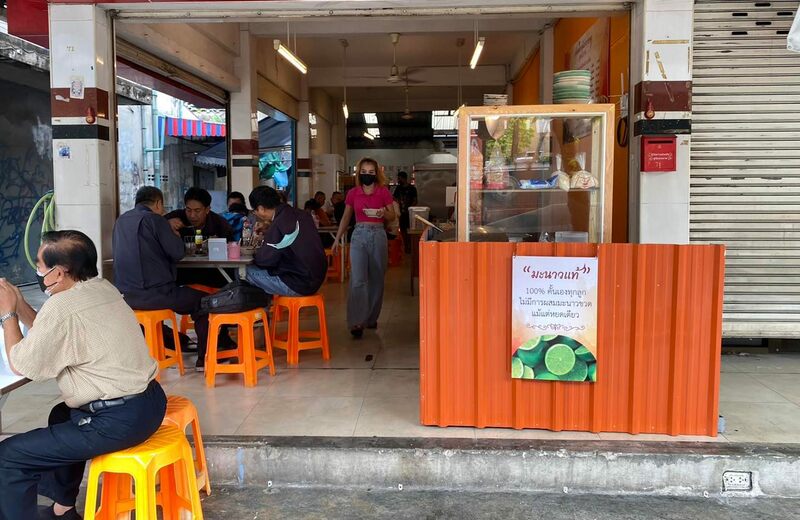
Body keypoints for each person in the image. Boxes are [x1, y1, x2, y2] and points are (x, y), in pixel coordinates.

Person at [0, 230, 166, 520]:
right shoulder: (102, 287)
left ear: (59, 273)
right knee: (61, 415)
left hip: (118, 421)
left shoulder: (62, 306)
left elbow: (21, 363)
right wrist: (18, 303)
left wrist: (7, 315)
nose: (37, 272)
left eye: (40, 266)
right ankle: (63, 510)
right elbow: (48, 331)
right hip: (149, 403)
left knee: (10, 456)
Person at [113, 186, 222, 371]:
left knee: (164, 308)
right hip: (156, 294)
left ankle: (171, 345)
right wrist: (174, 235)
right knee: (203, 301)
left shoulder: (121, 221)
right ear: (157, 203)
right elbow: (177, 252)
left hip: (126, 297)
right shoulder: (155, 220)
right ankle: (205, 359)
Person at [332, 158, 396, 338]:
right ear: (359, 173)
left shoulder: (383, 192)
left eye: (371, 172)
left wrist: (384, 212)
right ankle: (356, 321)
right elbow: (346, 217)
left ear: (376, 174)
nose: (367, 175)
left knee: (377, 279)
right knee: (358, 279)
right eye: (364, 172)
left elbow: (392, 216)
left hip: (378, 234)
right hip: (359, 234)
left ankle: (371, 317)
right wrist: (338, 238)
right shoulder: (353, 193)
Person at [247, 186, 327, 298]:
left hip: (299, 284)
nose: (257, 214)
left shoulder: (278, 223)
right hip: (316, 278)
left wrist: (254, 253)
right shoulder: (302, 214)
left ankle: (259, 313)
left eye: (255, 211)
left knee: (245, 272)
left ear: (261, 208)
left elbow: (265, 261)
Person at [164, 187, 235, 287]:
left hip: (213, 275)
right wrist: (166, 224)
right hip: (181, 275)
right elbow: (152, 228)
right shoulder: (174, 218)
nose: (192, 215)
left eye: (197, 211)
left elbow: (231, 249)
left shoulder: (220, 224)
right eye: (188, 210)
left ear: (207, 209)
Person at [393, 171, 418, 253]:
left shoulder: (412, 188)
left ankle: (411, 247)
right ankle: (406, 247)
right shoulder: (398, 188)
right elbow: (394, 198)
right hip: (401, 214)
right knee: (403, 231)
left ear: (404, 178)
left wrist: (410, 208)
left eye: (399, 178)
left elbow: (415, 200)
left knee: (410, 230)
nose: (398, 180)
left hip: (410, 214)